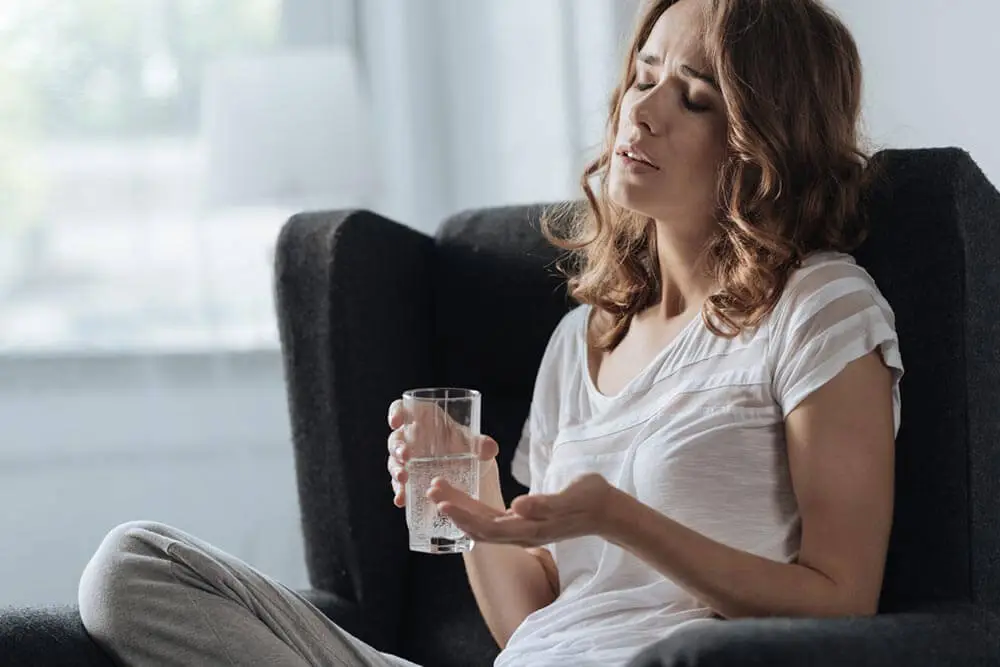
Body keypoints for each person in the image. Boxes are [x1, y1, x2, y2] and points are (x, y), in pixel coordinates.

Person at [78, 0, 903, 665]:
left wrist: (622, 519)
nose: (641, 111)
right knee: (132, 567)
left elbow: (842, 595)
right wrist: (474, 493)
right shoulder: (584, 338)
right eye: (642, 76)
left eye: (692, 97)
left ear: (760, 148)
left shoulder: (819, 307)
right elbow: (528, 622)